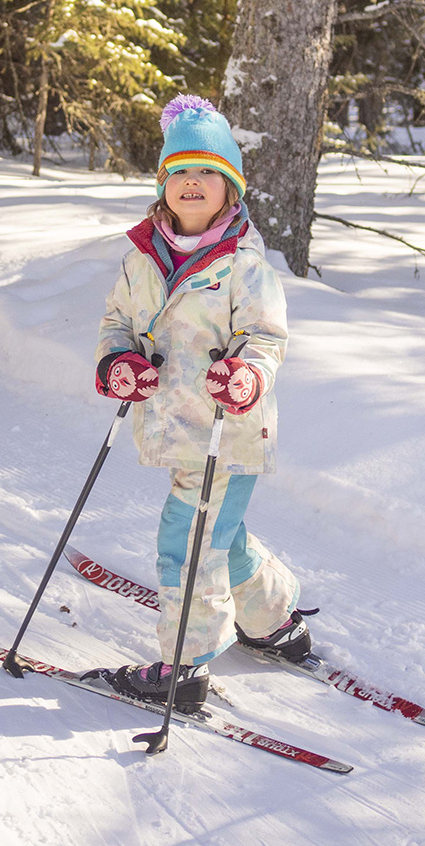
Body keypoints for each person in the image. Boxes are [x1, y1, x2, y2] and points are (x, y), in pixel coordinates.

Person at [87, 94, 313, 712]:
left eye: (208, 172)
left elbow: (266, 337)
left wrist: (247, 375)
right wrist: (118, 364)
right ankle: (275, 623)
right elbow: (117, 324)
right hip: (173, 424)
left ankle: (185, 666)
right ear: (164, 184)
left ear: (230, 188)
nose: (194, 183)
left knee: (187, 538)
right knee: (221, 535)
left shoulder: (244, 265)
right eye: (181, 171)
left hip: (228, 431)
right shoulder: (142, 259)